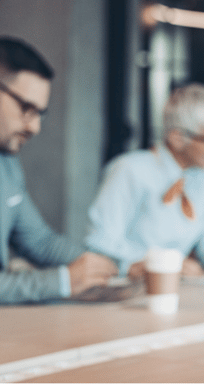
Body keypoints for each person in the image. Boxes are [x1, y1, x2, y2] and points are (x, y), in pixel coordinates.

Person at [84, 83, 204, 281]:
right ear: (177, 138)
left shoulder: (202, 180)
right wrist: (155, 263)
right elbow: (100, 242)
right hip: (126, 289)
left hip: (178, 289)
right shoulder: (130, 170)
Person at [0, 37, 117, 304]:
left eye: (40, 113)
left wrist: (105, 268)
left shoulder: (6, 164)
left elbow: (39, 241)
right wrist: (63, 281)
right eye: (26, 108)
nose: (34, 127)